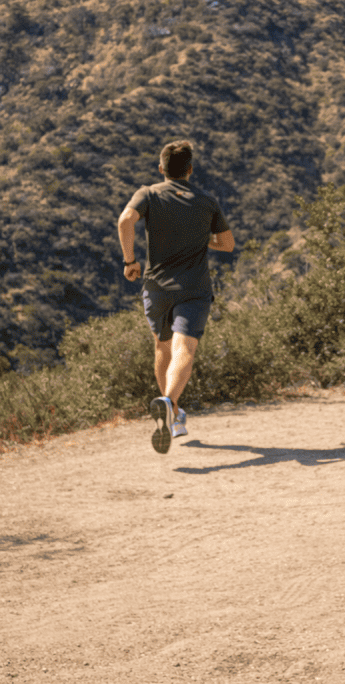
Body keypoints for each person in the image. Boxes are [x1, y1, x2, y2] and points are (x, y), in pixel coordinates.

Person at [117, 139, 234, 454]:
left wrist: (130, 262)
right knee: (185, 350)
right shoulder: (206, 201)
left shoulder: (149, 194)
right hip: (194, 290)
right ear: (190, 169)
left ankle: (175, 413)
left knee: (162, 347)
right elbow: (227, 244)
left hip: (156, 288)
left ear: (161, 169)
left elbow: (125, 220)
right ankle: (169, 403)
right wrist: (201, 239)